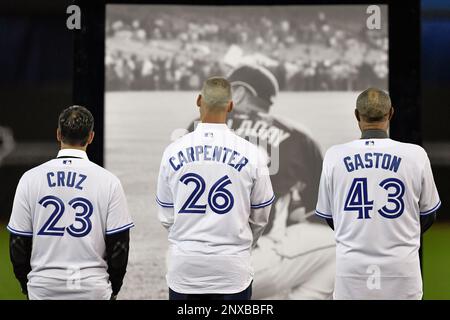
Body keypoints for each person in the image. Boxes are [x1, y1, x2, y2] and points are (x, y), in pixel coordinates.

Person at [187, 65, 335, 299]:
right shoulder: (298, 136)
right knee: (340, 244)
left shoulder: (196, 126)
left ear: (241, 93)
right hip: (249, 265)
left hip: (189, 264)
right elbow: (323, 214)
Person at [315, 88, 440, 300]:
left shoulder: (334, 156)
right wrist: (401, 233)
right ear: (390, 113)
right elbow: (429, 215)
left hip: (352, 273)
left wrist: (360, 231)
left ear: (357, 115)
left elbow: (329, 217)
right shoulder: (416, 155)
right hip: (402, 271)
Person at [156, 77, 274, 300]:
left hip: (186, 267)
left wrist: (188, 239)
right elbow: (261, 216)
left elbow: (166, 216)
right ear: (231, 106)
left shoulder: (173, 151)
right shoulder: (252, 153)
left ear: (199, 100)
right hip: (232, 268)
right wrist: (244, 243)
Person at [7, 106, 134, 300]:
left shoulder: (30, 179)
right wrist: (113, 289)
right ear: (91, 137)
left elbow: (17, 243)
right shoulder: (109, 181)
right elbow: (120, 246)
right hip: (92, 289)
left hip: (43, 289)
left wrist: (28, 286)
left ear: (58, 134)